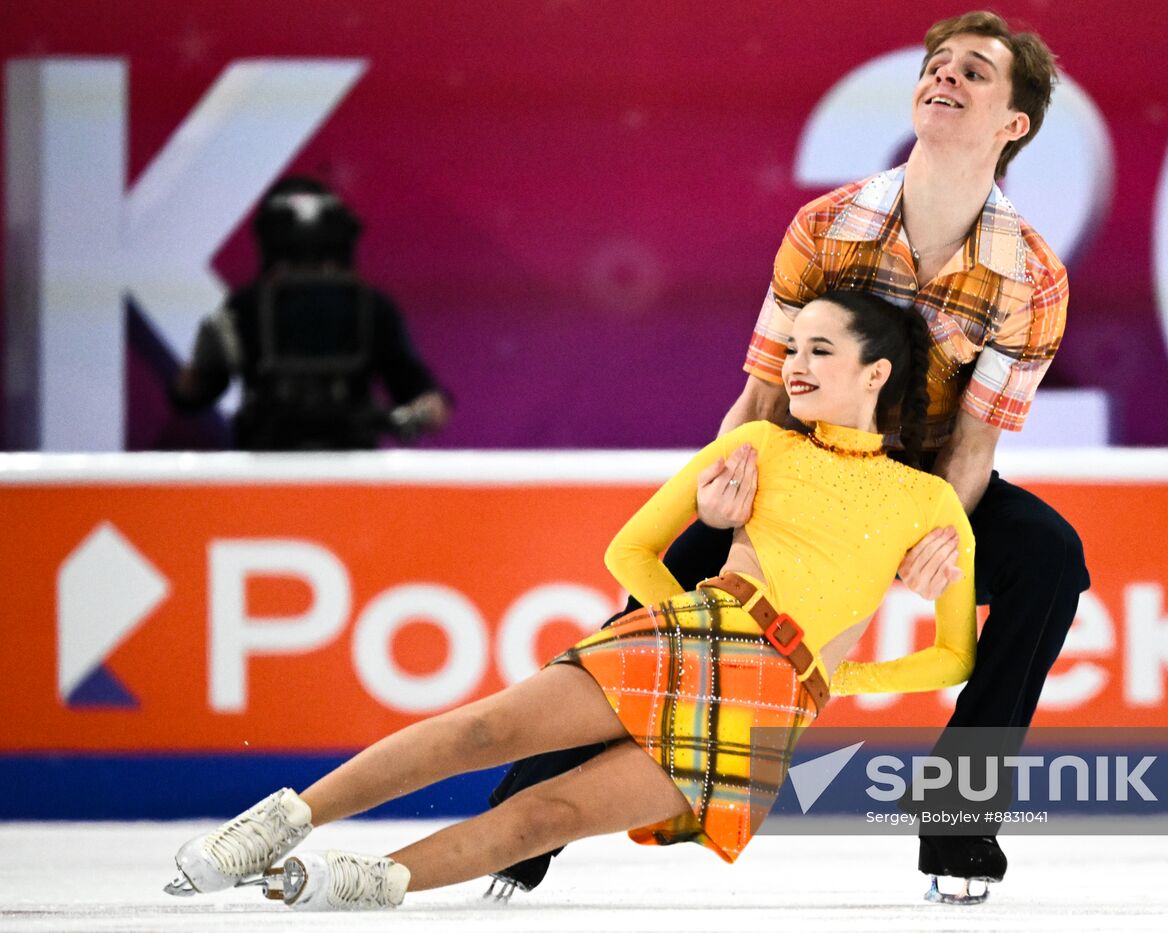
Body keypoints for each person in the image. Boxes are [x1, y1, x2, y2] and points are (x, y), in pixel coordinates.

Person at [489, 10, 1088, 906]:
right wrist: (725, 499)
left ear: (1014, 126)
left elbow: (973, 441)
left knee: (1048, 559)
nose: (945, 77)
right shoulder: (829, 223)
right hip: (791, 474)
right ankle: (521, 818)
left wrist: (906, 546)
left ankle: (959, 819)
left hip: (919, 485)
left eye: (974, 72)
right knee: (657, 606)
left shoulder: (1031, 277)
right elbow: (765, 397)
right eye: (937, 64)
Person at [162, 290, 977, 911]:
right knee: (488, 728)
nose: (793, 363)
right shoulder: (759, 443)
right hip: (689, 638)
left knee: (542, 818)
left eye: (819, 349)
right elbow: (630, 550)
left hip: (764, 710)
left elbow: (954, 656)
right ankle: (283, 819)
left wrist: (824, 680)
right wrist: (703, 626)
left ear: (876, 372)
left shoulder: (930, 503)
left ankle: (368, 879)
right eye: (791, 346)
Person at [169, 177, 450, 450]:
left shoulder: (243, 307)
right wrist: (406, 417)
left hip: (266, 475)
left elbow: (191, 393)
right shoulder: (372, 305)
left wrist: (205, 360)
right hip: (334, 473)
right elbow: (431, 407)